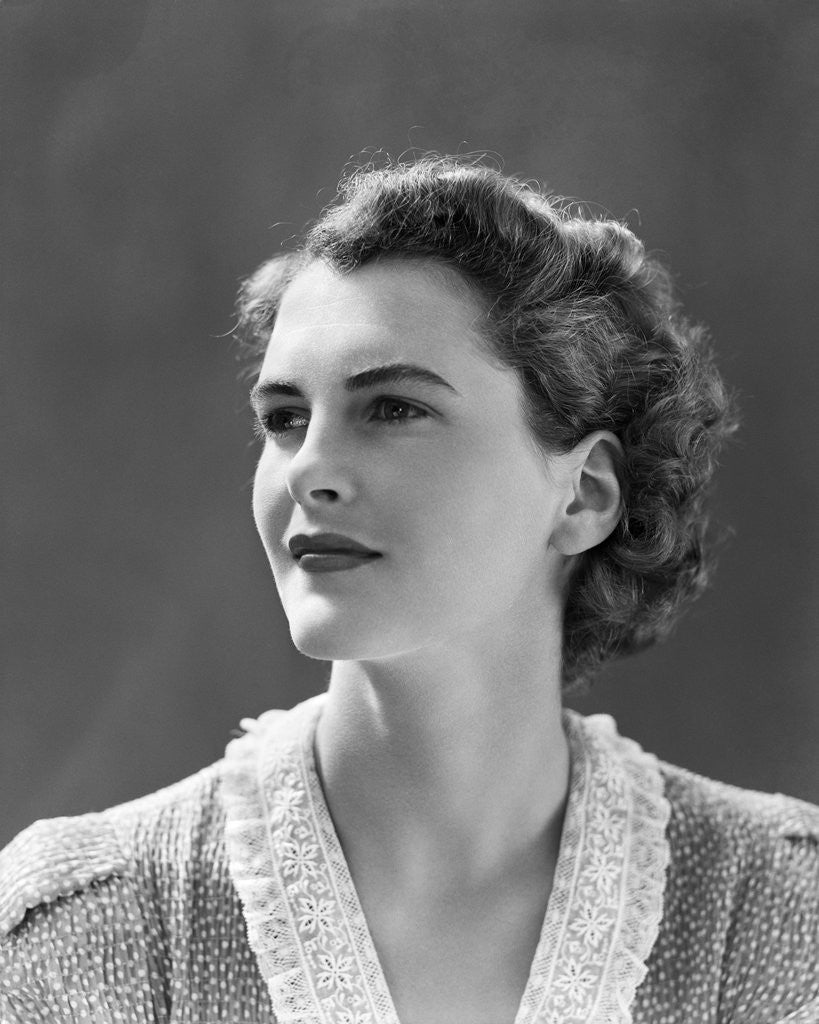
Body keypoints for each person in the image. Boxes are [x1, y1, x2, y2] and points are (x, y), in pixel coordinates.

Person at [1, 156, 817, 1024]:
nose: (309, 467)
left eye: (392, 408)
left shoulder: (783, 915)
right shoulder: (85, 930)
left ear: (583, 494)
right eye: (283, 418)